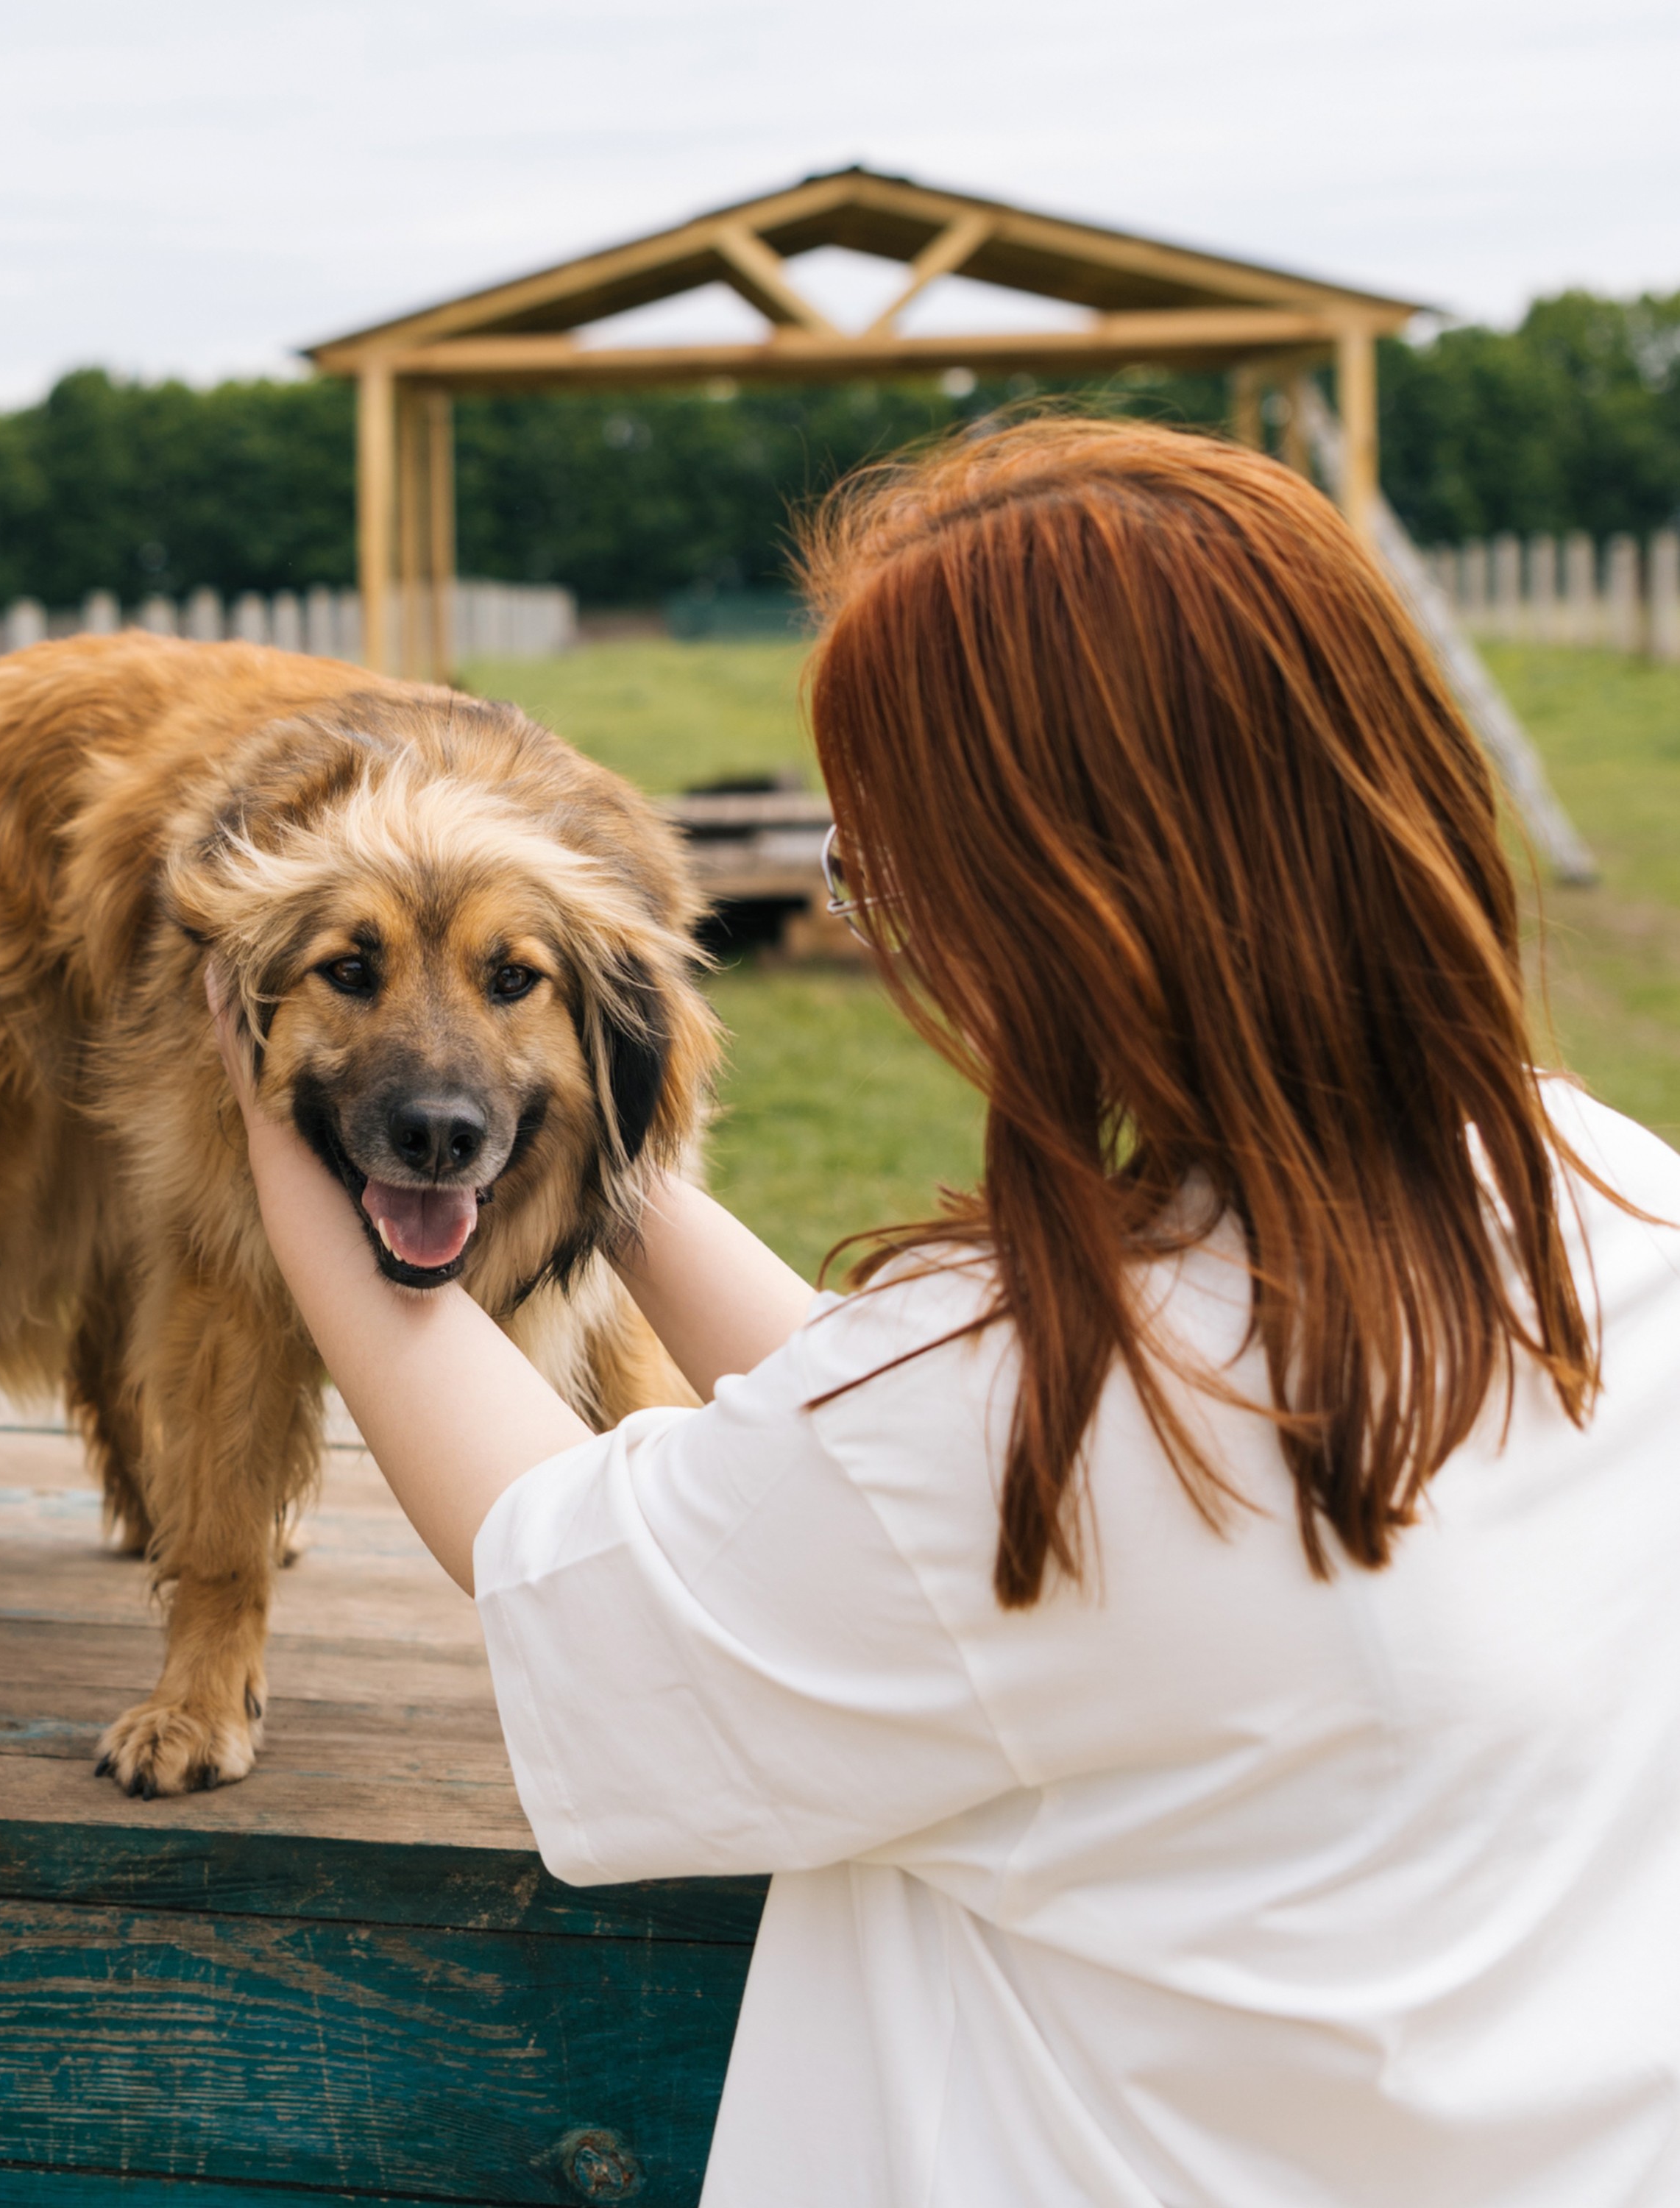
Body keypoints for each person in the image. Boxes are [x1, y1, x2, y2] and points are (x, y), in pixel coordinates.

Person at [214, 419, 1680, 2205]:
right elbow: (862, 1434)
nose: (880, 927)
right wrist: (594, 1120)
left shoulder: (1043, 1432)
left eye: (883, 870)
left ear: (1061, 909)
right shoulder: (1613, 1206)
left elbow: (562, 1550)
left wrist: (268, 1093)